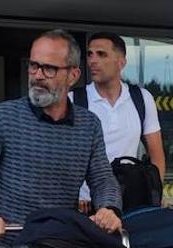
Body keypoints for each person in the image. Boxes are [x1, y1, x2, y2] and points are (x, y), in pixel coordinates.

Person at [0, 29, 122, 247]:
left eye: (49, 68)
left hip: (61, 247)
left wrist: (109, 208)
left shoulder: (89, 125)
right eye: (33, 65)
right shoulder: (3, 117)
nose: (38, 75)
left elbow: (102, 179)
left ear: (73, 75)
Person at [71, 32, 166, 213]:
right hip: (86, 204)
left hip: (130, 200)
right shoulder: (74, 100)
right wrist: (75, 195)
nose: (92, 60)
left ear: (121, 62)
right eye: (90, 54)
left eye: (101, 54)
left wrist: (155, 194)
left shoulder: (142, 99)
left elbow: (157, 155)